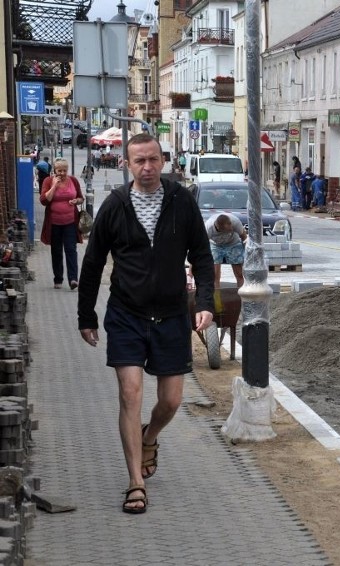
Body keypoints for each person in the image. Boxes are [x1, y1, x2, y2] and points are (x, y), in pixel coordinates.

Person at [77, 133, 214, 515]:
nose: (148, 167)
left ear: (164, 160)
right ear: (127, 164)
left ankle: (149, 436)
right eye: (140, 161)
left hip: (171, 314)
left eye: (153, 159)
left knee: (171, 401)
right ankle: (136, 482)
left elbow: (202, 256)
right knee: (130, 393)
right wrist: (85, 315)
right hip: (126, 313)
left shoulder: (181, 200)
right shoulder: (116, 205)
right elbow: (92, 264)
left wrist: (205, 303)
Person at [39, 158, 84, 290]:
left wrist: (76, 201)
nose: (62, 173)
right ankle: (58, 279)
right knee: (57, 251)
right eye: (60, 171)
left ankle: (73, 279)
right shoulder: (48, 181)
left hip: (70, 222)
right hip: (54, 223)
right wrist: (54, 185)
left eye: (65, 170)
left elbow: (81, 198)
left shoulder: (73, 181)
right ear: (55, 170)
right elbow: (43, 200)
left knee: (71, 250)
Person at [205, 213, 247, 288]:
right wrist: (193, 265)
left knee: (239, 273)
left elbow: (244, 237)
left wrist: (247, 254)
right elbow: (201, 246)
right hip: (215, 245)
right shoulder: (208, 227)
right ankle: (217, 299)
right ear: (218, 227)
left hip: (233, 243)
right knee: (215, 275)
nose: (231, 229)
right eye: (227, 230)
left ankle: (242, 297)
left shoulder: (235, 222)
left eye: (231, 228)